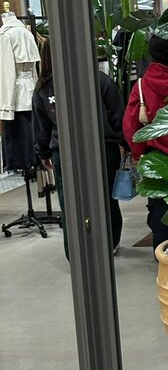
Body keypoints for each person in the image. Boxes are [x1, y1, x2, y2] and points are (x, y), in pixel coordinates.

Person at [32, 38, 125, 259]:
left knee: (69, 203)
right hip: (103, 148)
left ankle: (74, 252)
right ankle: (110, 243)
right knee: (106, 198)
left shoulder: (44, 88)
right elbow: (118, 116)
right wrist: (124, 143)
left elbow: (41, 126)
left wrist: (44, 153)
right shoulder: (99, 80)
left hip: (64, 152)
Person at [123, 35, 168, 251]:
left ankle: (163, 254)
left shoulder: (142, 86)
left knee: (160, 209)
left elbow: (131, 125)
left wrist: (137, 154)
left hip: (158, 158)